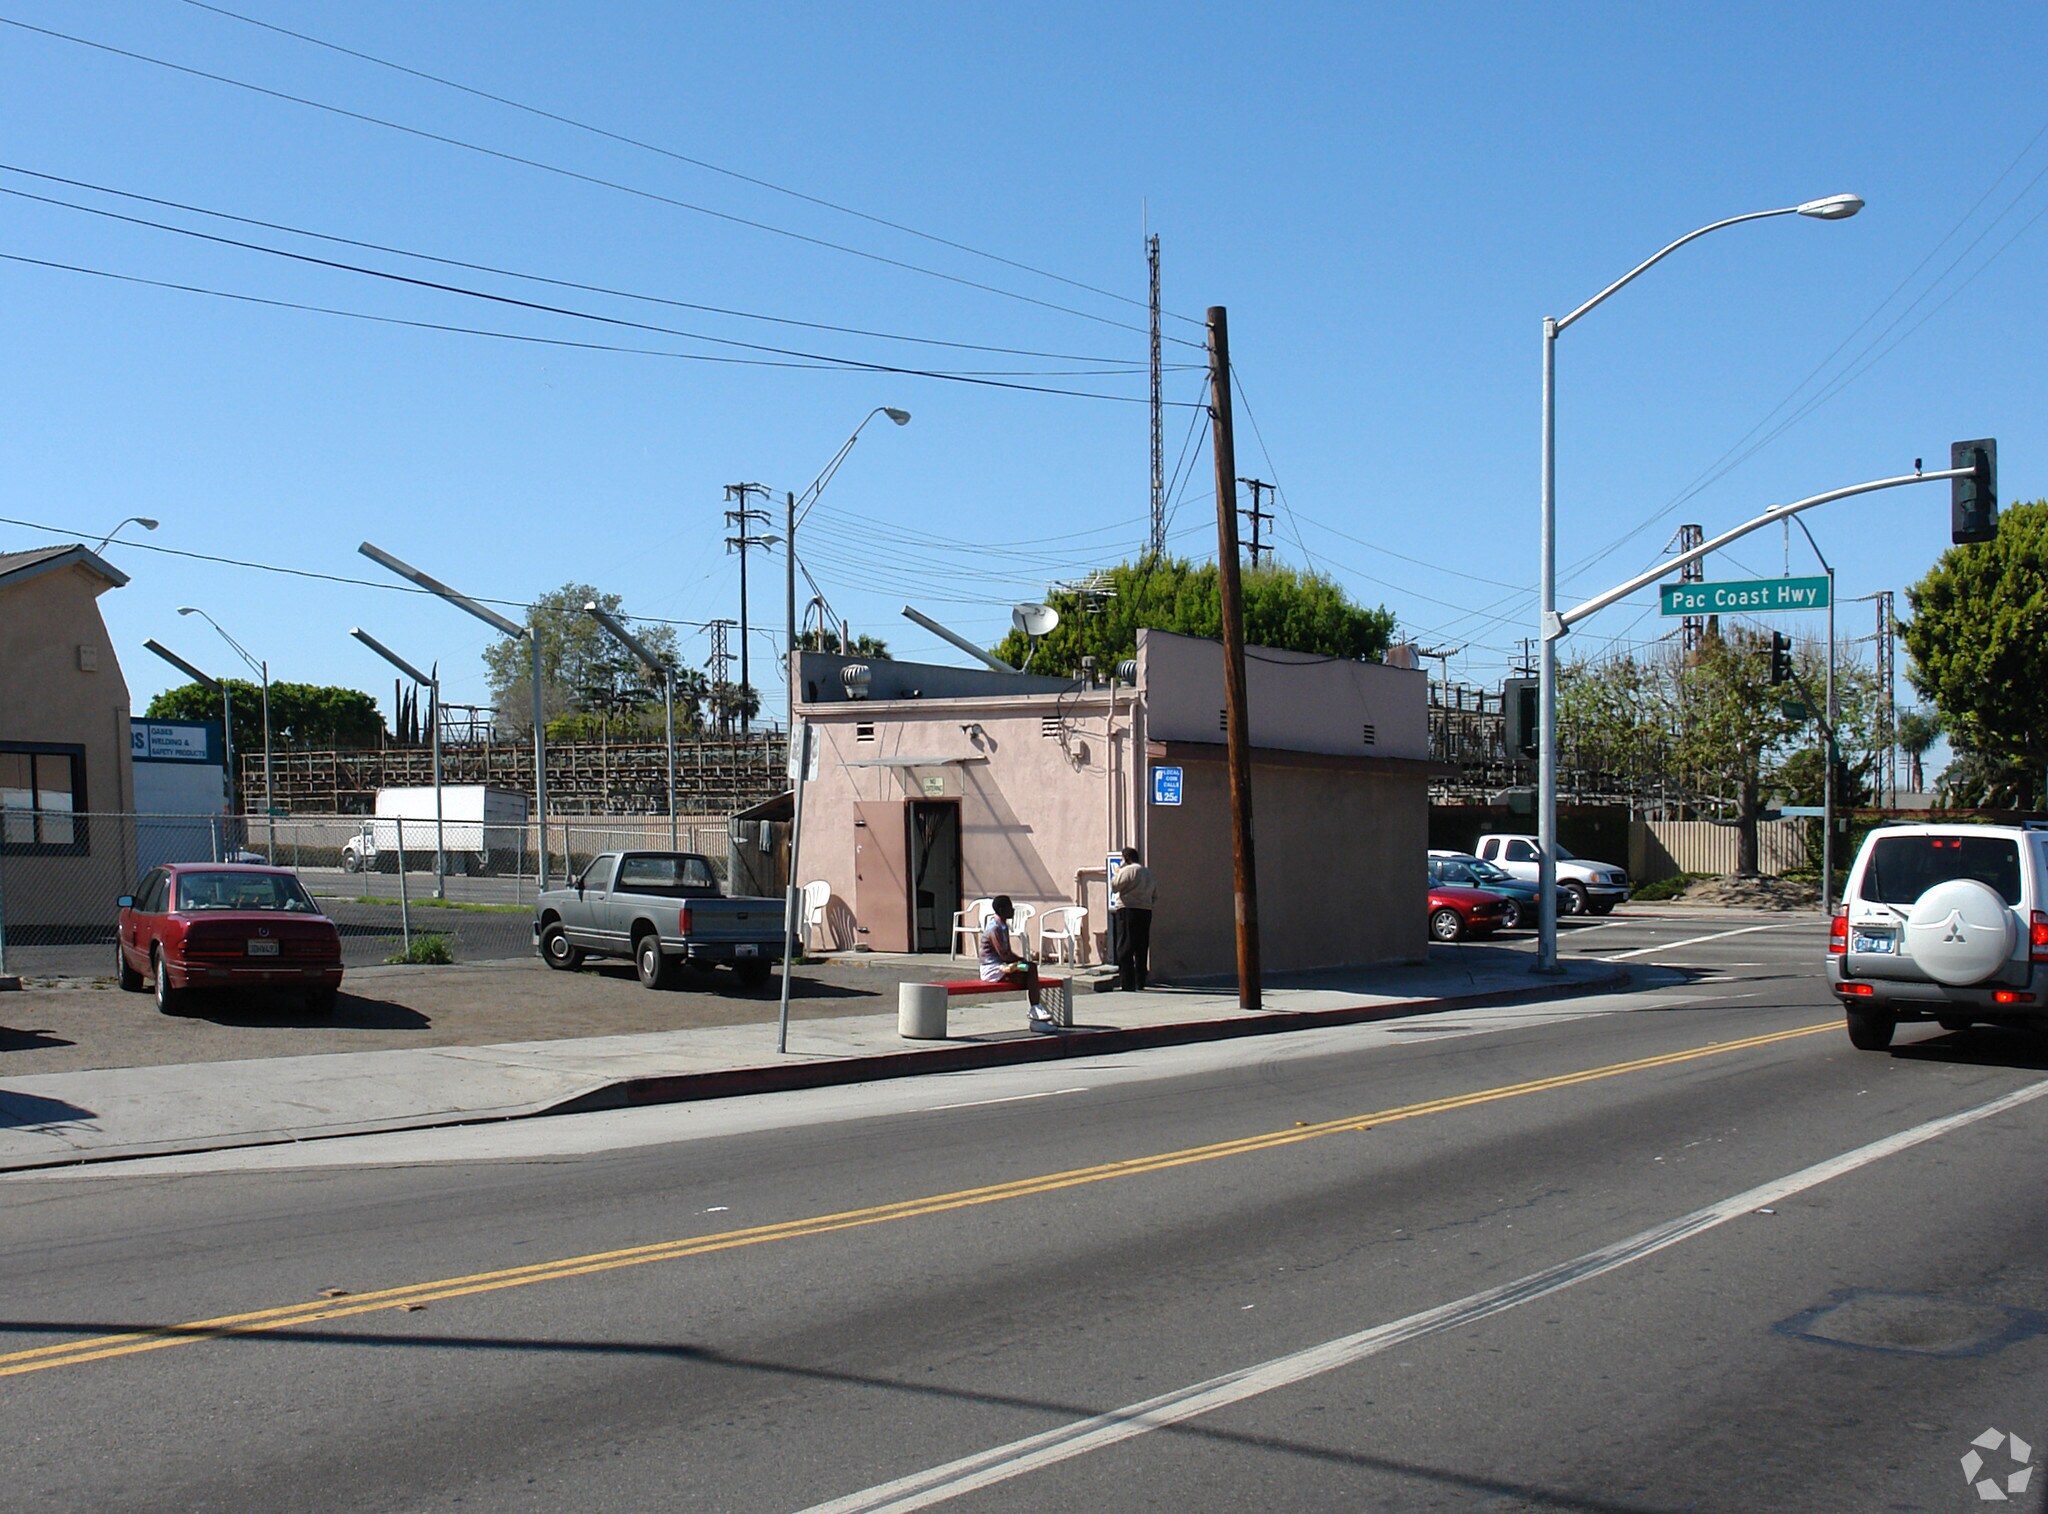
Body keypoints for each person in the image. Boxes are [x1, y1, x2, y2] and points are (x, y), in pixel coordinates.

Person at [979, 894, 1053, 1031]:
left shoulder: (1003, 926)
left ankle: (1036, 1012)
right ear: (1001, 909)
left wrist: (1021, 961)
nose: (1012, 910)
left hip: (1005, 967)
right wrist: (1021, 960)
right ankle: (1035, 1010)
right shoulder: (994, 928)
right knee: (1029, 970)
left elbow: (1007, 955)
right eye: (1010, 907)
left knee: (1029, 969)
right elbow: (1004, 955)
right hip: (993, 970)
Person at [1111, 846, 1156, 991]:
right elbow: (1155, 893)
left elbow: (1115, 886)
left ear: (1126, 858)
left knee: (1125, 945)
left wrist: (1117, 872)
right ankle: (1140, 980)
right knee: (1141, 945)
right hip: (1145, 910)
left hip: (1128, 909)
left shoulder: (1128, 870)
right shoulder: (1148, 872)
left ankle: (1127, 983)